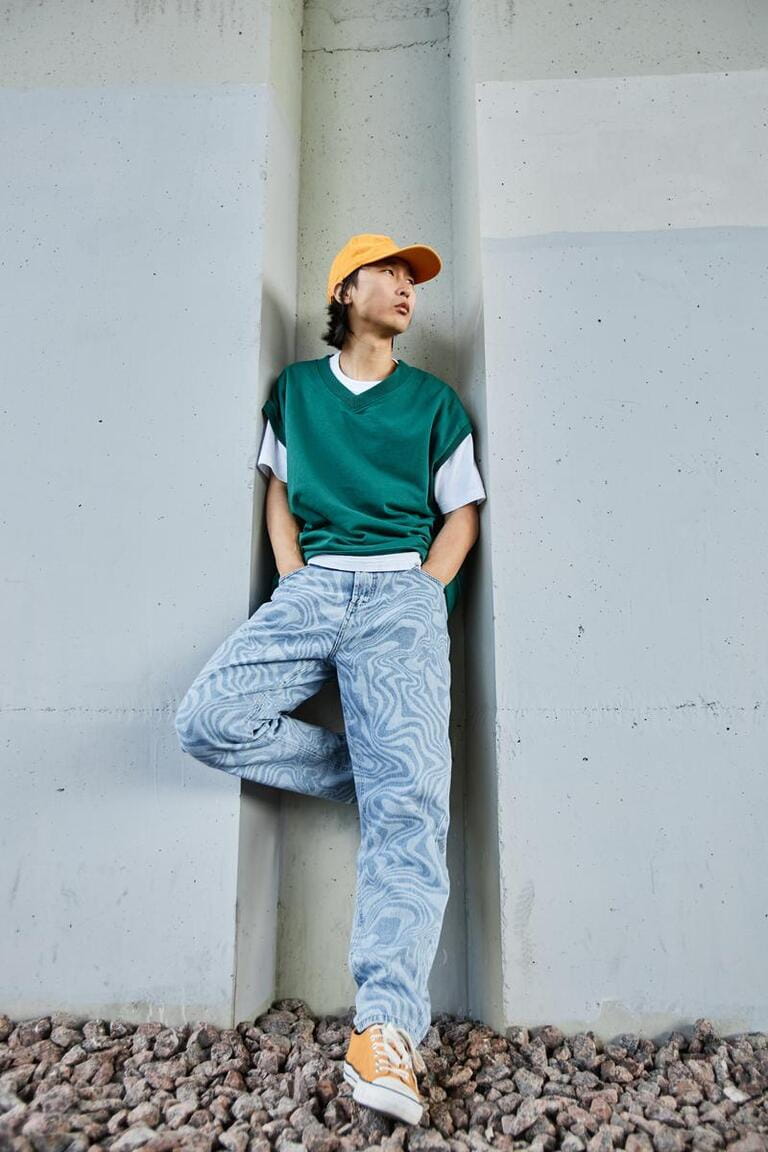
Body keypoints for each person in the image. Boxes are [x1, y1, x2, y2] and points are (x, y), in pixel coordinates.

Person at [174, 233, 487, 1126]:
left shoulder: (435, 402)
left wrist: (426, 593)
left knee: (408, 819)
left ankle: (386, 1032)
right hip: (313, 588)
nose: (407, 291)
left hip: (401, 597)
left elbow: (460, 510)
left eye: (415, 282)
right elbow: (277, 486)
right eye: (390, 273)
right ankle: (389, 778)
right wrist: (292, 574)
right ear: (344, 289)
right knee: (210, 718)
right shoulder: (297, 392)